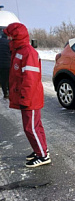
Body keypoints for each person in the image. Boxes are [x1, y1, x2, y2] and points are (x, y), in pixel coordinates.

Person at [4, 22, 51, 167]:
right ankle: (41, 150)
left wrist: (24, 98)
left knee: (31, 128)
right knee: (36, 126)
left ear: (16, 36)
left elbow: (30, 79)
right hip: (27, 97)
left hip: (30, 98)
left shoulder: (28, 52)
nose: (7, 39)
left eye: (9, 36)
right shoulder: (19, 51)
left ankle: (43, 156)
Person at [0, 29, 10, 98]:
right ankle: (10, 92)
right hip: (8, 64)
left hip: (0, 65)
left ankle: (5, 93)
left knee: (3, 79)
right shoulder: (9, 43)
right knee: (9, 79)